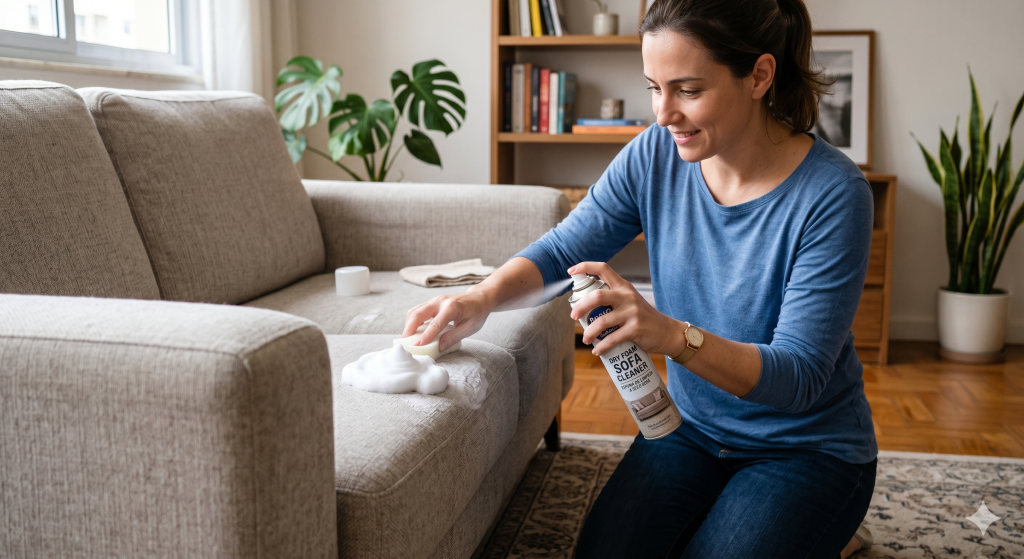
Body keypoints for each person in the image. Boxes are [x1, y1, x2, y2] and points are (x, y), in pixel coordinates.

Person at [402, 0, 877, 556]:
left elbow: (798, 379)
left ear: (759, 76)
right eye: (654, 87)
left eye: (688, 90)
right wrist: (480, 299)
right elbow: (562, 250)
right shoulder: (657, 153)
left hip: (807, 449)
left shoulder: (834, 195)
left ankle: (828, 533)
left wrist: (671, 335)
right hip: (690, 431)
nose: (663, 113)